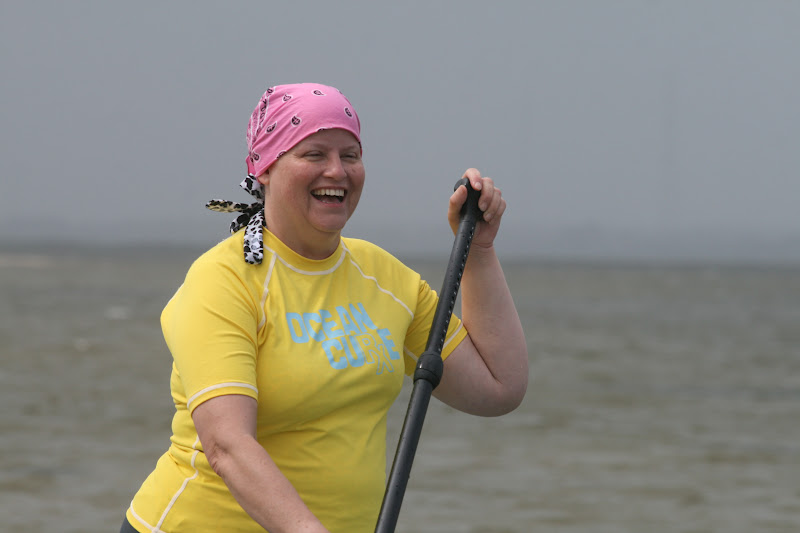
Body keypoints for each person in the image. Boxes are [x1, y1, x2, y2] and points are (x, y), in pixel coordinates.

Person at [120, 82, 528, 533]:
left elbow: (498, 388)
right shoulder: (223, 281)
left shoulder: (386, 278)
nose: (337, 170)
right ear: (265, 167)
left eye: (350, 155)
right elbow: (227, 446)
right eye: (314, 154)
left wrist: (479, 250)